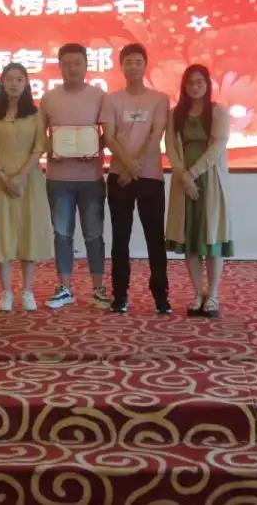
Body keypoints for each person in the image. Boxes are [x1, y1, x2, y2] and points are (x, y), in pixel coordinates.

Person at [100, 43, 171, 314]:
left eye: (138, 61)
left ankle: (161, 297)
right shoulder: (112, 100)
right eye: (128, 62)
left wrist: (134, 167)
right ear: (121, 66)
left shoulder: (159, 99)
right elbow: (109, 137)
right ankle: (120, 296)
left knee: (155, 238)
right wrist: (128, 165)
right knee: (120, 239)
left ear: (145, 65)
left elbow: (156, 135)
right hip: (119, 177)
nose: (133, 66)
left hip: (150, 177)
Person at [0, 63, 53, 311]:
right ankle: (6, 292)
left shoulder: (35, 114)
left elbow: (39, 148)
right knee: (2, 232)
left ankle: (28, 291)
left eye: (19, 79)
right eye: (9, 79)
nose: (14, 83)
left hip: (29, 181)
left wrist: (21, 176)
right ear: (2, 82)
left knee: (28, 231)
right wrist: (2, 175)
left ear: (26, 83)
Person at [40, 43, 110, 309]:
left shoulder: (99, 96)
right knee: (62, 234)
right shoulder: (49, 98)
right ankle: (65, 288)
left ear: (86, 65)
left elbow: (107, 135)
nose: (72, 69)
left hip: (91, 178)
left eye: (77, 63)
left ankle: (98, 288)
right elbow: (40, 135)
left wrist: (96, 149)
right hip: (59, 179)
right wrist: (51, 149)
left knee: (94, 235)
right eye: (67, 64)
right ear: (59, 67)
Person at [165, 64, 233, 318]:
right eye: (190, 82)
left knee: (211, 238)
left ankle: (212, 294)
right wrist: (183, 176)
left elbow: (217, 146)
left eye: (200, 82)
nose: (195, 87)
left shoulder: (217, 111)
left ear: (207, 84)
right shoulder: (175, 114)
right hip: (183, 182)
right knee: (190, 240)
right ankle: (197, 293)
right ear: (184, 86)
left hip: (209, 180)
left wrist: (192, 174)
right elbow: (171, 147)